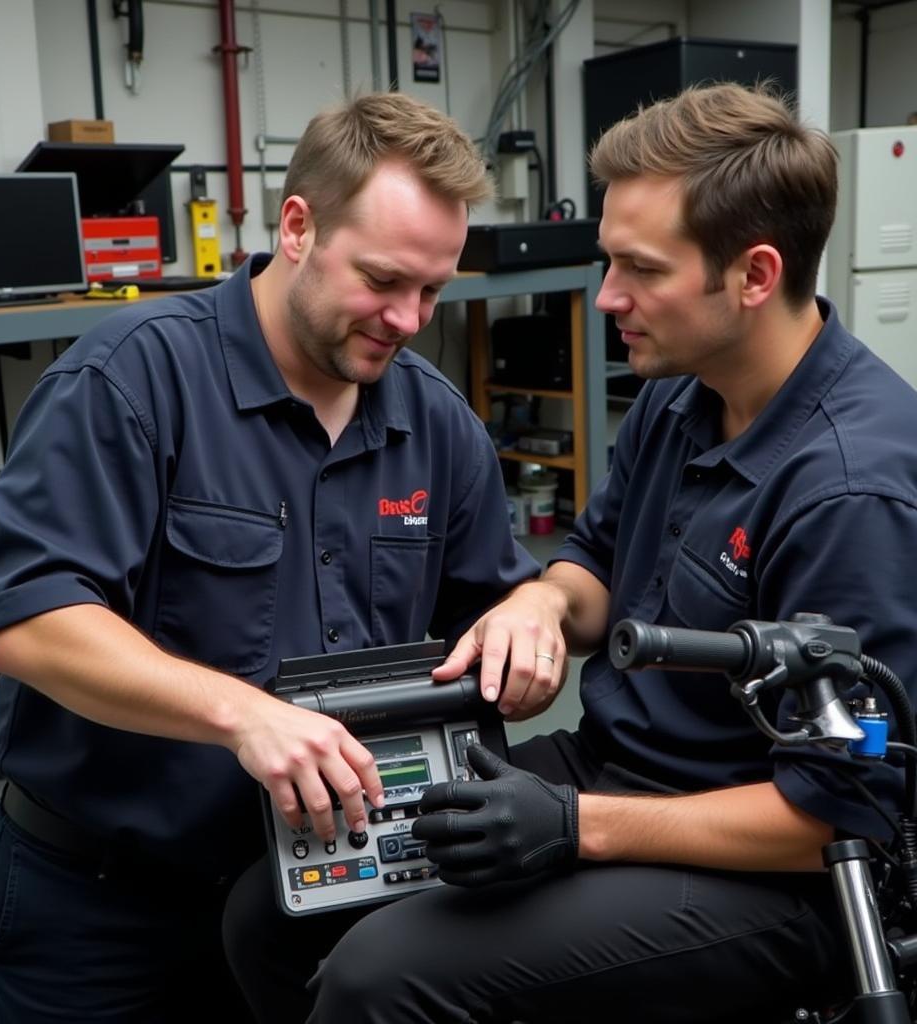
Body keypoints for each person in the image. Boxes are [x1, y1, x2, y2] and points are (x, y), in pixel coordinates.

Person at [269, 82, 917, 1024]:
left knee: (384, 978)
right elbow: (595, 566)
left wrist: (576, 830)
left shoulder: (853, 489)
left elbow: (836, 812)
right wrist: (540, 604)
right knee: (276, 906)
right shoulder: (679, 390)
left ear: (754, 274)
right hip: (620, 767)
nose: (607, 296)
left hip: (779, 868)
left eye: (639, 269)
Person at [0, 91, 547, 1023]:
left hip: (318, 901)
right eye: (383, 280)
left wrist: (532, 613)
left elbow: (497, 603)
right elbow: (33, 621)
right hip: (103, 910)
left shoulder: (436, 423)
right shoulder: (129, 381)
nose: (409, 319)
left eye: (433, 291)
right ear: (296, 226)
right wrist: (244, 716)